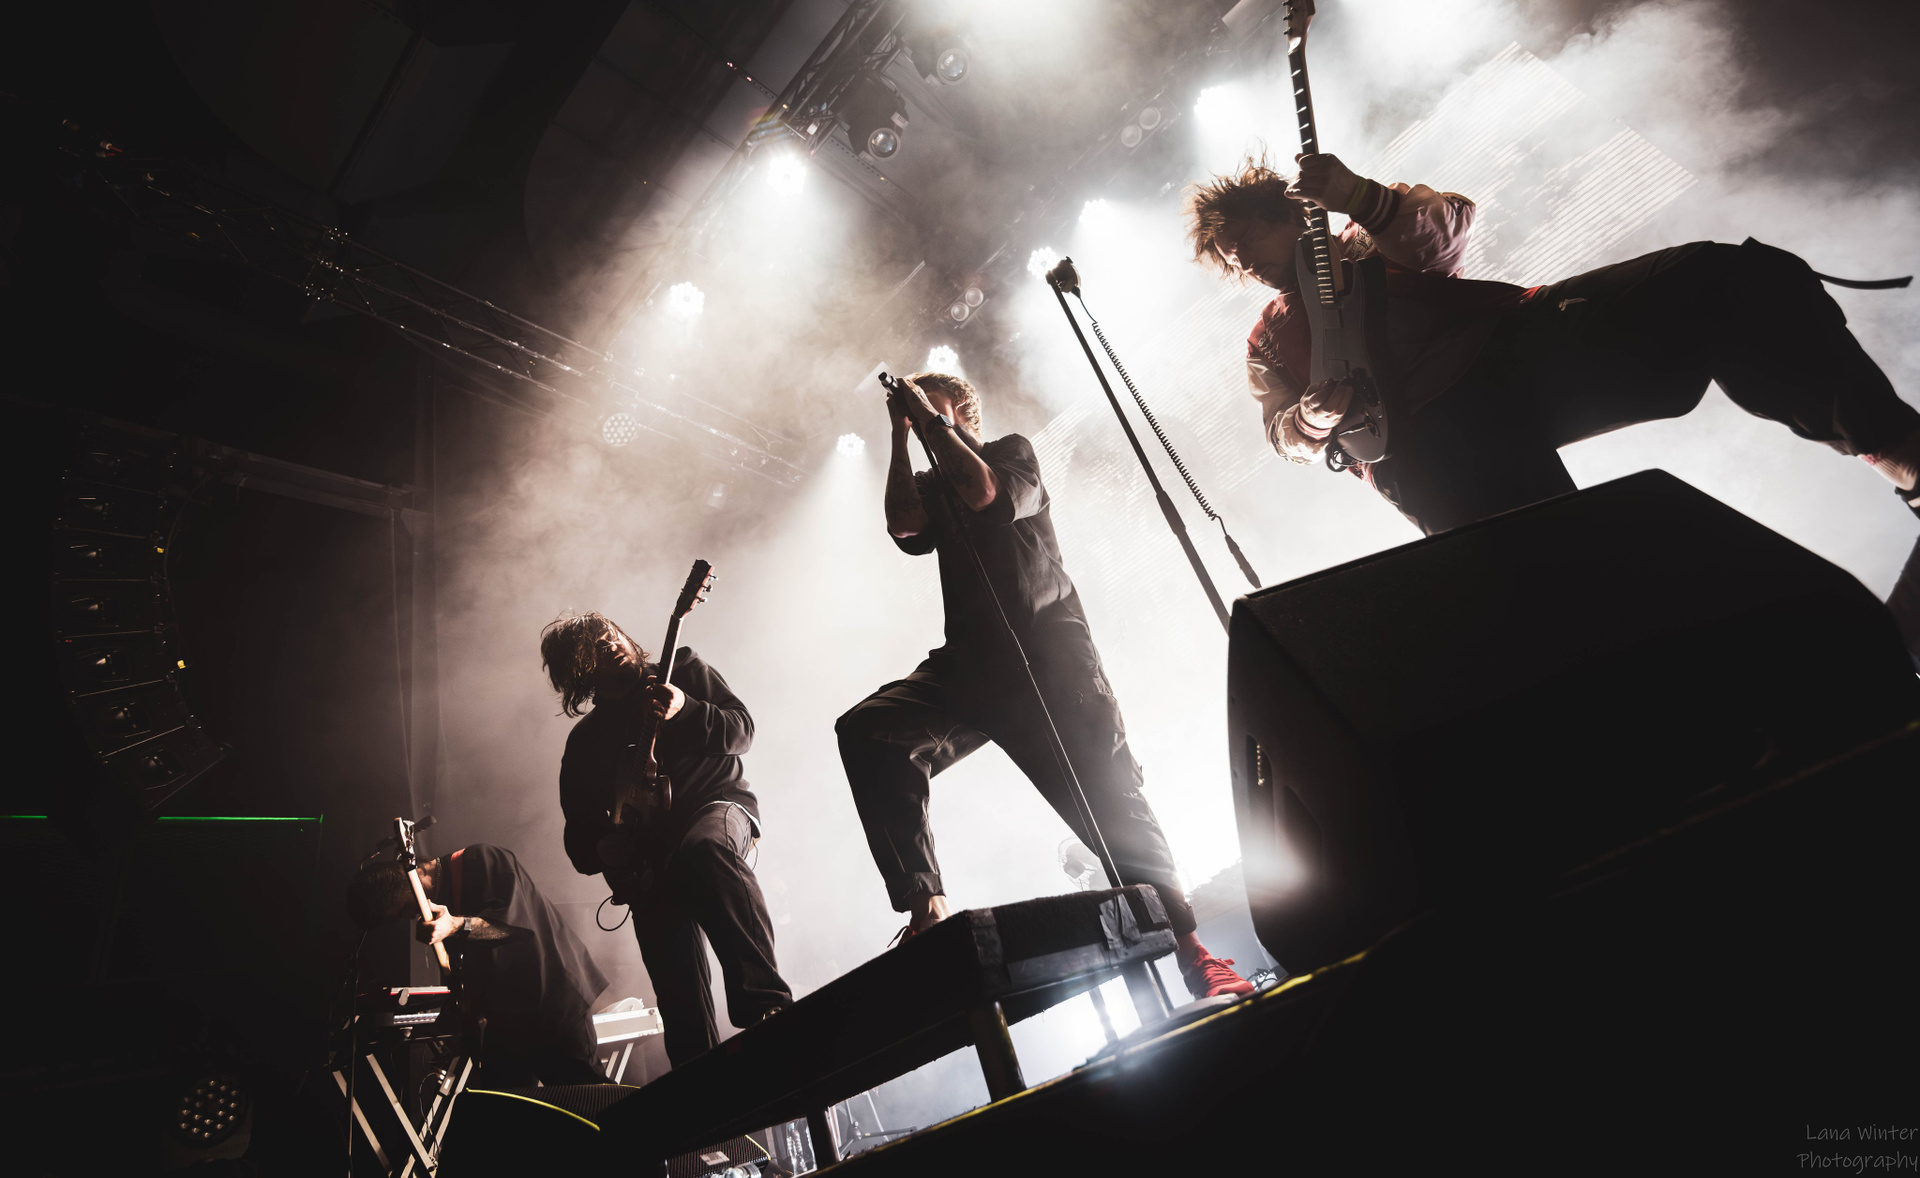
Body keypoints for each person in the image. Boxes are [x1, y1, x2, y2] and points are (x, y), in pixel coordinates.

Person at [1186, 150, 1920, 538]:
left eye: (1244, 238)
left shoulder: (1362, 237)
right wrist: (1311, 420)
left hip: (1508, 354)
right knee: (1556, 580)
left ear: (1289, 213)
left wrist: (1361, 197)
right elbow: (1281, 433)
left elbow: (1445, 229)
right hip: (1427, 447)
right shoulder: (1265, 341)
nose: (1240, 260)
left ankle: (1902, 455)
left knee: (1722, 277)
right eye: (1229, 258)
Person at [835, 371, 1255, 1001]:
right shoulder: (930, 484)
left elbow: (985, 493)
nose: (920, 415)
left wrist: (926, 415)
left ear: (963, 411)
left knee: (1111, 802)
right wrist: (899, 434)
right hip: (971, 667)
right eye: (914, 409)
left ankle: (1196, 955)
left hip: (1050, 659)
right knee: (869, 730)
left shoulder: (1012, 454)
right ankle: (927, 906)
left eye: (932, 405)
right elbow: (903, 525)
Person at [545, 612, 792, 1067]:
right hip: (650, 856)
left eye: (611, 635)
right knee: (676, 985)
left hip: (716, 806)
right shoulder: (585, 743)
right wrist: (601, 848)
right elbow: (578, 836)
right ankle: (700, 1088)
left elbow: (742, 731)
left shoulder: (682, 670)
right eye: (596, 646)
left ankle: (766, 1007)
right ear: (578, 670)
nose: (611, 644)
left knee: (706, 848)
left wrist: (687, 709)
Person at [347, 843, 609, 1088]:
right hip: (509, 1020)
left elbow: (513, 927)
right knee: (504, 1108)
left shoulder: (483, 859)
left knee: (586, 1099)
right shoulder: (441, 904)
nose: (409, 916)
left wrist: (456, 926)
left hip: (554, 1004)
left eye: (404, 908)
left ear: (410, 878)